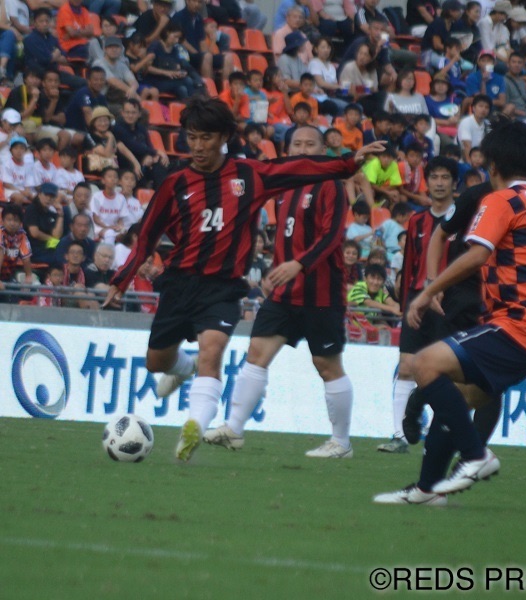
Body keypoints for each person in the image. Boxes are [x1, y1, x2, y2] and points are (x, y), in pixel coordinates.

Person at [103, 96, 385, 462]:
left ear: (223, 138)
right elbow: (146, 236)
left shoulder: (250, 175)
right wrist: (121, 279)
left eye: (206, 137)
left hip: (228, 287)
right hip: (182, 284)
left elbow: (301, 174)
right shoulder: (175, 184)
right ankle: (187, 371)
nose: (198, 146)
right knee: (159, 361)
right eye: (192, 137)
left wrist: (348, 162)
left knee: (215, 350)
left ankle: (197, 426)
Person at [374, 120, 526, 504]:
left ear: (492, 165)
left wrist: (427, 291)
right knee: (458, 398)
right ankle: (428, 489)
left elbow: (477, 255)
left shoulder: (499, 200)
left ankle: (476, 455)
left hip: (515, 326)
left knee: (423, 364)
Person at [203, 125, 356, 458]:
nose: (302, 149)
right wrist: (276, 271)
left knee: (327, 365)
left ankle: (341, 442)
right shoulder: (284, 186)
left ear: (323, 151)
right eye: (296, 144)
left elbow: (332, 237)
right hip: (285, 293)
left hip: (321, 294)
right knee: (256, 352)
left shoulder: (331, 185)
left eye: (310, 144)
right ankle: (234, 429)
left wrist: (298, 264)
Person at [377, 156, 458, 454]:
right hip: (416, 302)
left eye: (445, 177)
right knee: (407, 367)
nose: (439, 183)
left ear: (454, 183)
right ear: (427, 182)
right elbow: (410, 264)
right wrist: (405, 303)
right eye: (434, 177)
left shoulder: (464, 220)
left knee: (443, 373)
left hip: (449, 303)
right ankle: (399, 436)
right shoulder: (416, 221)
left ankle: (435, 441)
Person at [24, 182, 64, 264]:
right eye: (46, 195)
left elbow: (56, 235)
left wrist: (60, 215)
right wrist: (53, 240)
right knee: (58, 257)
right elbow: (35, 233)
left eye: (52, 196)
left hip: (47, 245)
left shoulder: (51, 213)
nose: (48, 199)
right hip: (33, 247)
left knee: (64, 250)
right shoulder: (32, 209)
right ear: (39, 194)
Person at [0, 204, 33, 296]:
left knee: (29, 292)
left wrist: (28, 277)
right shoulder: (0, 233)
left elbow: (26, 258)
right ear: (3, 221)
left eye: (15, 220)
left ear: (20, 223)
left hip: (8, 276)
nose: (12, 223)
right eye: (9, 220)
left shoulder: (22, 236)